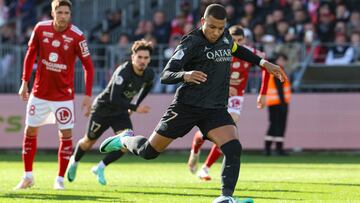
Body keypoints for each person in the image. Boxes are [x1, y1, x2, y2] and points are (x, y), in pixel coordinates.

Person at [99, 4, 286, 203]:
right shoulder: (191, 42)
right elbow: (166, 74)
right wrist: (185, 75)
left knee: (233, 148)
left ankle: (226, 197)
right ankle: (125, 139)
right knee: (149, 152)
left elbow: (237, 50)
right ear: (203, 22)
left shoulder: (225, 38)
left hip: (214, 109)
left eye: (220, 28)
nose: (216, 32)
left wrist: (264, 63)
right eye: (212, 27)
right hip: (186, 107)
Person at [14, 0, 94, 190]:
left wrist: (88, 95)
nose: (63, 16)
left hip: (64, 96)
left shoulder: (77, 36)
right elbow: (30, 54)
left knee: (66, 135)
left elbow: (88, 66)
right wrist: (24, 82)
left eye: (67, 13)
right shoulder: (40, 29)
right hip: (39, 92)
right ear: (52, 13)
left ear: (70, 15)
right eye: (60, 12)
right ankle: (27, 176)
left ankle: (59, 179)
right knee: (30, 131)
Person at [66, 40, 154, 185]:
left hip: (120, 113)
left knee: (126, 144)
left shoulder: (149, 74)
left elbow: (147, 87)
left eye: (146, 58)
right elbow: (114, 98)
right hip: (103, 109)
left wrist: (135, 105)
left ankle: (99, 168)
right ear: (133, 57)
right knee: (88, 141)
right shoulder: (123, 72)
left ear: (149, 59)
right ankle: (74, 161)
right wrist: (135, 108)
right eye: (139, 57)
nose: (142, 61)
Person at [187, 25, 270, 181]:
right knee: (208, 131)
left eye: (240, 40)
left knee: (228, 132)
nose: (237, 43)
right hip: (216, 94)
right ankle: (195, 150)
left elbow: (266, 66)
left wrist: (263, 93)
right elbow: (206, 73)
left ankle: (205, 168)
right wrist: (224, 87)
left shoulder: (250, 53)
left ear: (245, 40)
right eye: (234, 40)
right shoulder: (220, 52)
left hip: (236, 97)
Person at [264, 53, 291, 156]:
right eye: (281, 59)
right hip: (278, 103)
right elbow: (280, 89)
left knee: (275, 125)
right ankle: (275, 149)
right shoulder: (277, 71)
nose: (283, 62)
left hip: (275, 103)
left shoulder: (276, 70)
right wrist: (283, 103)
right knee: (278, 126)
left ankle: (270, 148)